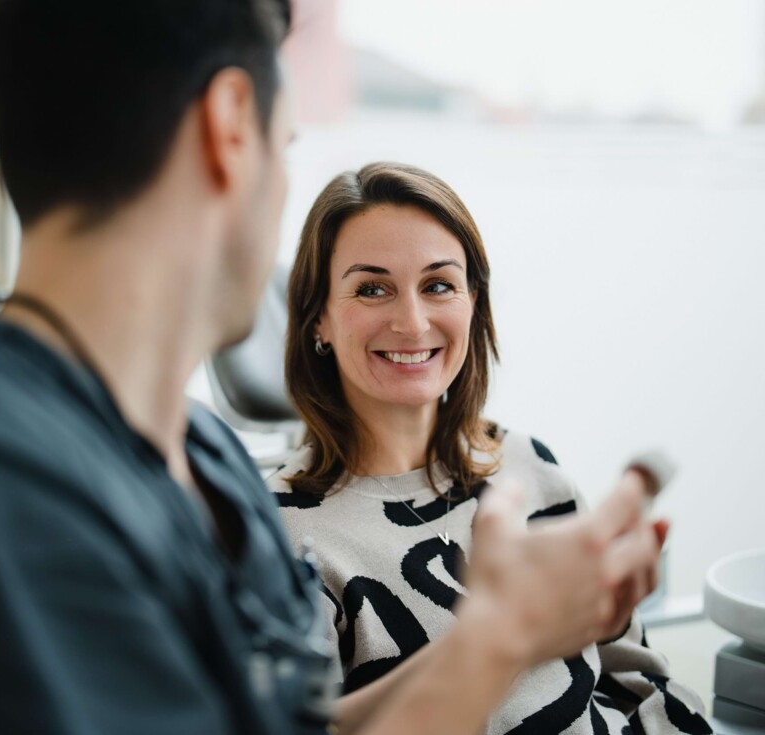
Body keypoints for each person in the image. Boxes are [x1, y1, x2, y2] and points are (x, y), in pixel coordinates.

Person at [0, 2, 672, 734]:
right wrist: (498, 643)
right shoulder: (4, 484)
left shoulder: (207, 459)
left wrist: (506, 625)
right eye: (287, 146)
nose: (411, 319)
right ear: (231, 123)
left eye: (439, 285)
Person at [268, 162, 712, 734]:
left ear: (473, 303)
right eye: (372, 288)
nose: (412, 320)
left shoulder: (529, 465)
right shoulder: (282, 534)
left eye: (438, 285)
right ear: (318, 320)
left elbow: (638, 678)